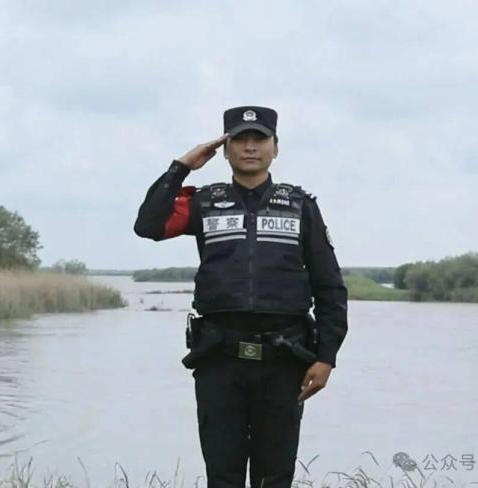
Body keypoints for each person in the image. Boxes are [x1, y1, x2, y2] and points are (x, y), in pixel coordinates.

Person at [133, 106, 348, 488]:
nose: (250, 147)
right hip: (219, 361)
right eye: (240, 140)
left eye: (259, 139)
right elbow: (148, 225)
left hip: (285, 361)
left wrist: (326, 356)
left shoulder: (301, 206)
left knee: (275, 477)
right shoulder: (203, 202)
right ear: (225, 149)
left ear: (275, 147)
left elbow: (330, 287)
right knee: (223, 476)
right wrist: (181, 167)